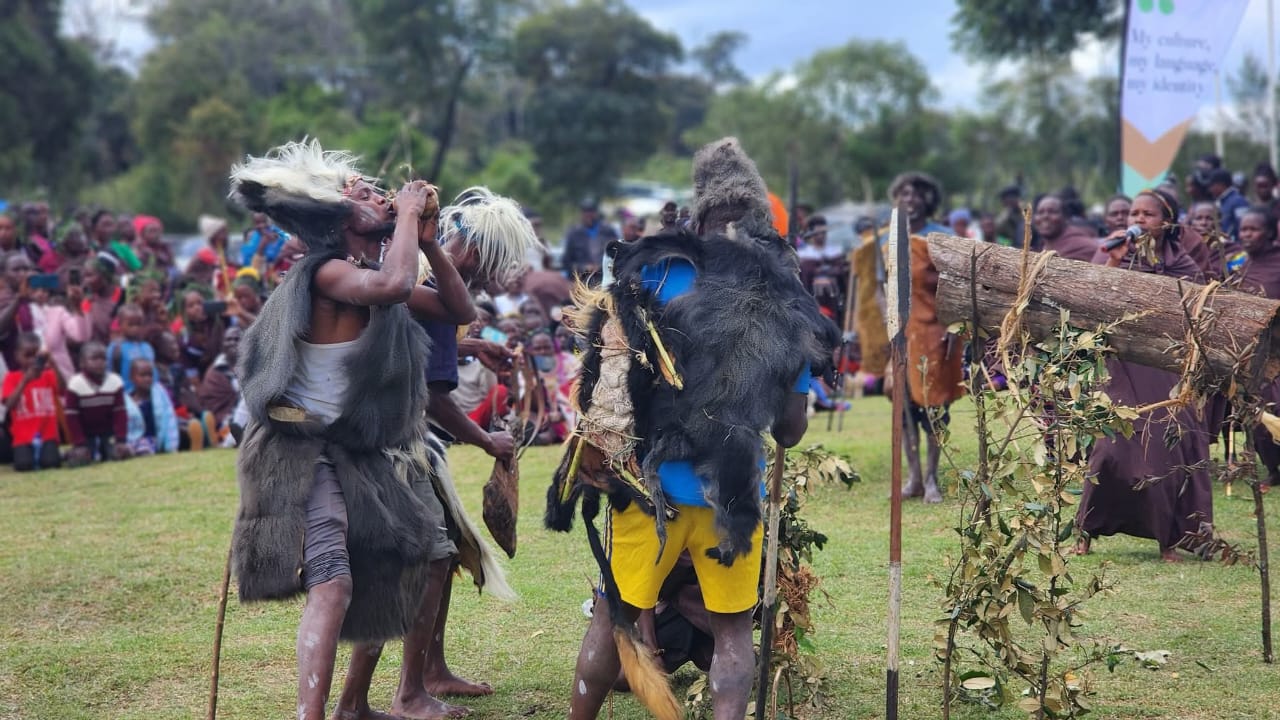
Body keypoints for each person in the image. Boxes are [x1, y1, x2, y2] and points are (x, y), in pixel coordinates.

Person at [549, 138, 836, 720]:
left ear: (698, 221)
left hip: (650, 490)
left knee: (615, 616)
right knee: (733, 635)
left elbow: (607, 381)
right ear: (759, 224)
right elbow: (791, 432)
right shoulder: (789, 304)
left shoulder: (655, 279)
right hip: (732, 495)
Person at [227, 140, 479, 720]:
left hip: (354, 452)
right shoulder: (330, 273)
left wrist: (433, 244)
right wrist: (411, 218)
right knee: (333, 584)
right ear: (340, 219)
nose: (380, 195)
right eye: (362, 193)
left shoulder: (371, 269)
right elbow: (392, 288)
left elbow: (458, 311)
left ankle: (360, 704)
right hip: (302, 450)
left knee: (408, 556)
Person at [389, 185, 535, 719]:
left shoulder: (428, 285)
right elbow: (431, 396)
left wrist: (472, 345)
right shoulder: (441, 290)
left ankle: (431, 671)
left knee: (445, 551)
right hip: (398, 441)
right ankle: (409, 691)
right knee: (431, 557)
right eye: (493, 266)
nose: (494, 280)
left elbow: (430, 345)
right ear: (476, 254)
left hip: (403, 437)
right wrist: (485, 440)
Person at [1078, 189, 1212, 562]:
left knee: (1163, 454)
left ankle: (1167, 538)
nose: (1137, 220)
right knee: (1109, 448)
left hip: (1165, 369)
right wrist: (1114, 263)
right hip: (1122, 366)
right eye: (1133, 213)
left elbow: (1196, 316)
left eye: (1147, 214)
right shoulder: (1113, 253)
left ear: (1166, 222)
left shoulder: (1184, 266)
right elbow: (1091, 300)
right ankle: (1085, 529)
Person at [2, 333, 61, 471]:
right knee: (24, 465)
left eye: (36, 356)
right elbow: (9, 404)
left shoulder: (47, 375)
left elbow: (62, 388)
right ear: (17, 356)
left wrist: (53, 364)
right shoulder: (11, 378)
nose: (32, 360)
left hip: (47, 433)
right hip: (23, 436)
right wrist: (24, 381)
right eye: (27, 356)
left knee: (51, 463)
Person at [65, 341, 129, 466]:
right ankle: (69, 453)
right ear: (82, 363)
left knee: (117, 455)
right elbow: (72, 417)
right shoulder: (75, 383)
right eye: (94, 359)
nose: (100, 362)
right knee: (81, 460)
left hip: (107, 432)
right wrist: (79, 442)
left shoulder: (115, 381)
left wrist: (121, 439)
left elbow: (120, 413)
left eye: (103, 358)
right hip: (86, 434)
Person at [124, 356, 180, 455]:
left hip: (153, 439)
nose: (147, 379)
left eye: (150, 375)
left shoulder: (158, 394)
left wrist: (171, 446)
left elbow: (169, 417)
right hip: (133, 441)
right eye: (142, 375)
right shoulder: (127, 401)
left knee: (145, 448)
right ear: (132, 377)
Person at [197, 325, 242, 445]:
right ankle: (220, 437)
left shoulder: (254, 367)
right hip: (224, 418)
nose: (233, 343)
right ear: (223, 344)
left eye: (237, 339)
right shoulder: (214, 372)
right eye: (229, 339)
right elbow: (209, 401)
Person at [561, 199, 618, 284]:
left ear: (596, 213)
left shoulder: (608, 231)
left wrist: (601, 267)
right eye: (585, 211)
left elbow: (618, 255)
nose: (588, 214)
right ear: (581, 214)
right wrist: (583, 267)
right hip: (582, 281)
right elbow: (567, 262)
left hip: (605, 279)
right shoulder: (574, 234)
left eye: (591, 211)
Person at [107, 304, 158, 394]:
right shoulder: (116, 348)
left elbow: (154, 373)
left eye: (139, 324)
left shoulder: (147, 347)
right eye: (131, 324)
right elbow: (110, 374)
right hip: (127, 395)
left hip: (150, 394)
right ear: (120, 324)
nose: (135, 328)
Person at [1031, 194, 1098, 261]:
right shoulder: (1039, 246)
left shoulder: (1080, 246)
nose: (1045, 216)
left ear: (1065, 217)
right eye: (1040, 212)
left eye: (1052, 212)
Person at [0, 251, 38, 369]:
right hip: (8, 367)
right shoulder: (3, 298)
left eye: (26, 269)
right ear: (3, 274)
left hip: (35, 367)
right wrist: (18, 300)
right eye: (16, 270)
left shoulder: (35, 298)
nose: (23, 274)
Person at [81, 253, 122, 344]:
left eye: (89, 275)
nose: (85, 281)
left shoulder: (122, 297)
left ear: (104, 276)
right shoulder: (88, 300)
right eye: (84, 276)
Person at [1207, 168, 1249, 240]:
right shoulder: (1221, 202)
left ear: (1220, 184)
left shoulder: (1238, 201)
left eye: (1212, 186)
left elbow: (1244, 225)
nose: (1210, 190)